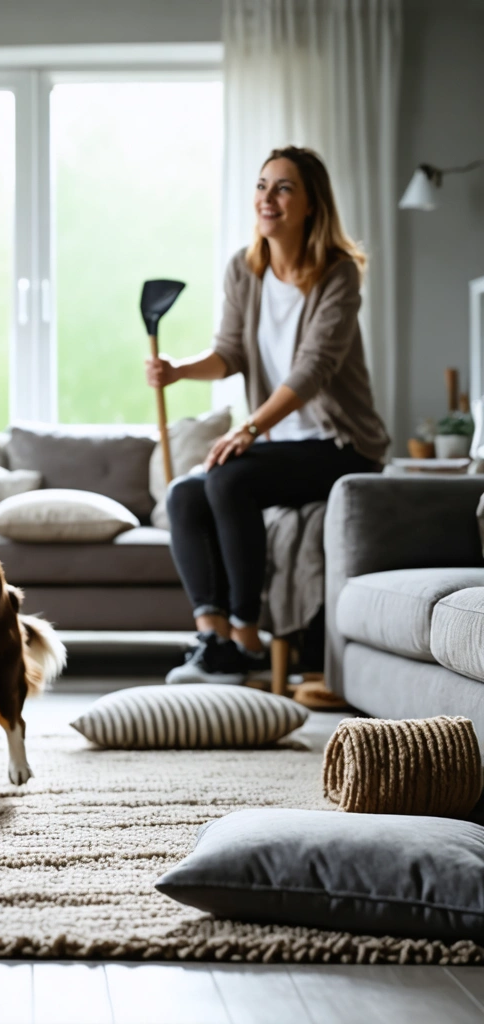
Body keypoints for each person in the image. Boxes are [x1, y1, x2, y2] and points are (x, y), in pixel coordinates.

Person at [147, 145, 389, 684]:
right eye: (262, 186)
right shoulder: (245, 268)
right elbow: (230, 351)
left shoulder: (338, 274)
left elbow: (313, 369)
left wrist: (250, 427)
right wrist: (179, 370)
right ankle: (215, 643)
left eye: (283, 188)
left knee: (228, 479)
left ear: (311, 204)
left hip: (342, 446)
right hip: (282, 445)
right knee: (184, 494)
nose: (268, 198)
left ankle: (247, 638)